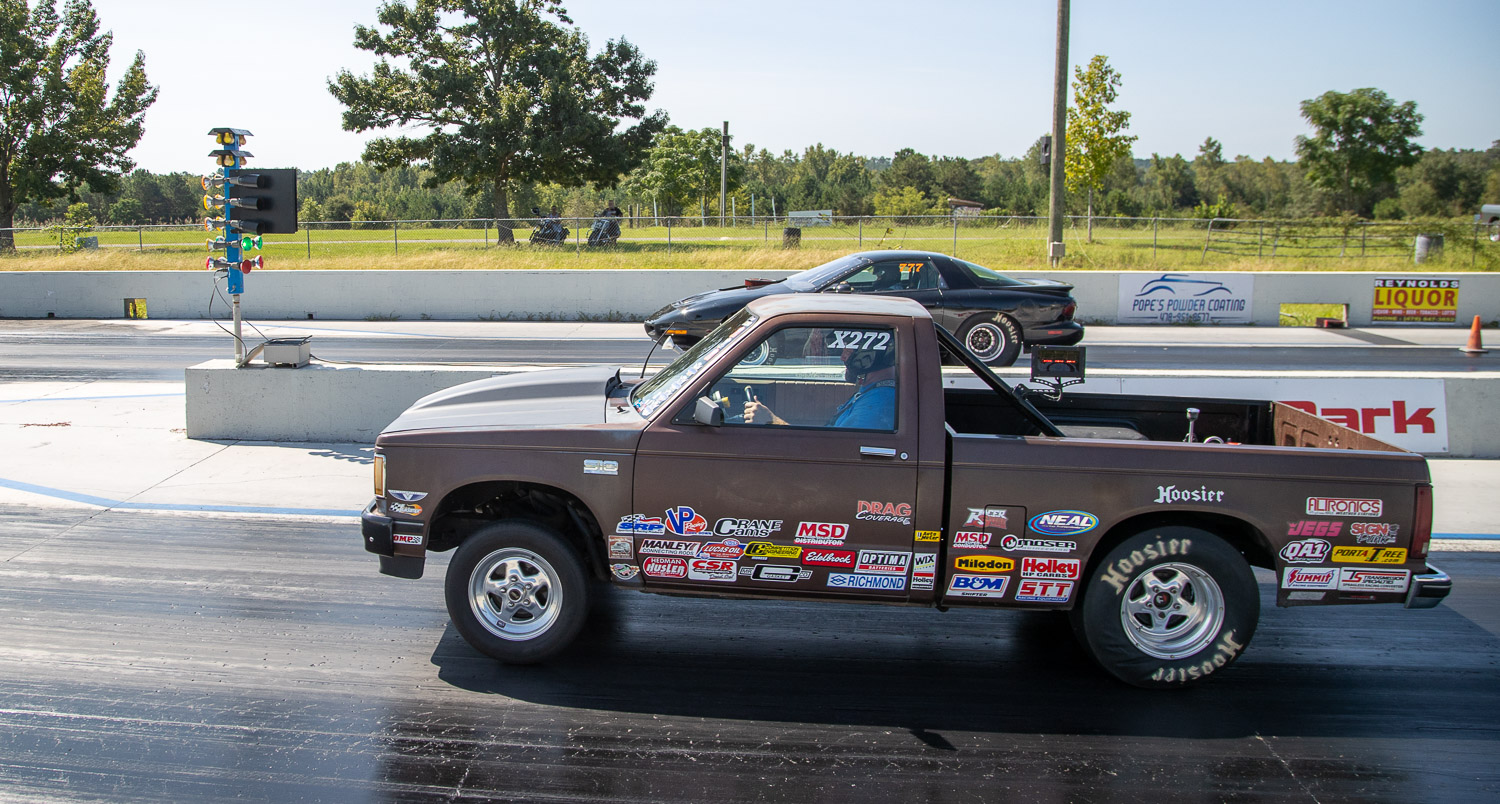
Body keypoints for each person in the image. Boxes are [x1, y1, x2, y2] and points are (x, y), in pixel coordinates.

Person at [743, 340, 897, 430]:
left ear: (869, 356)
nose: (842, 357)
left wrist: (771, 421)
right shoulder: (872, 392)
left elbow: (832, 450)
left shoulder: (878, 403)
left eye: (848, 352)